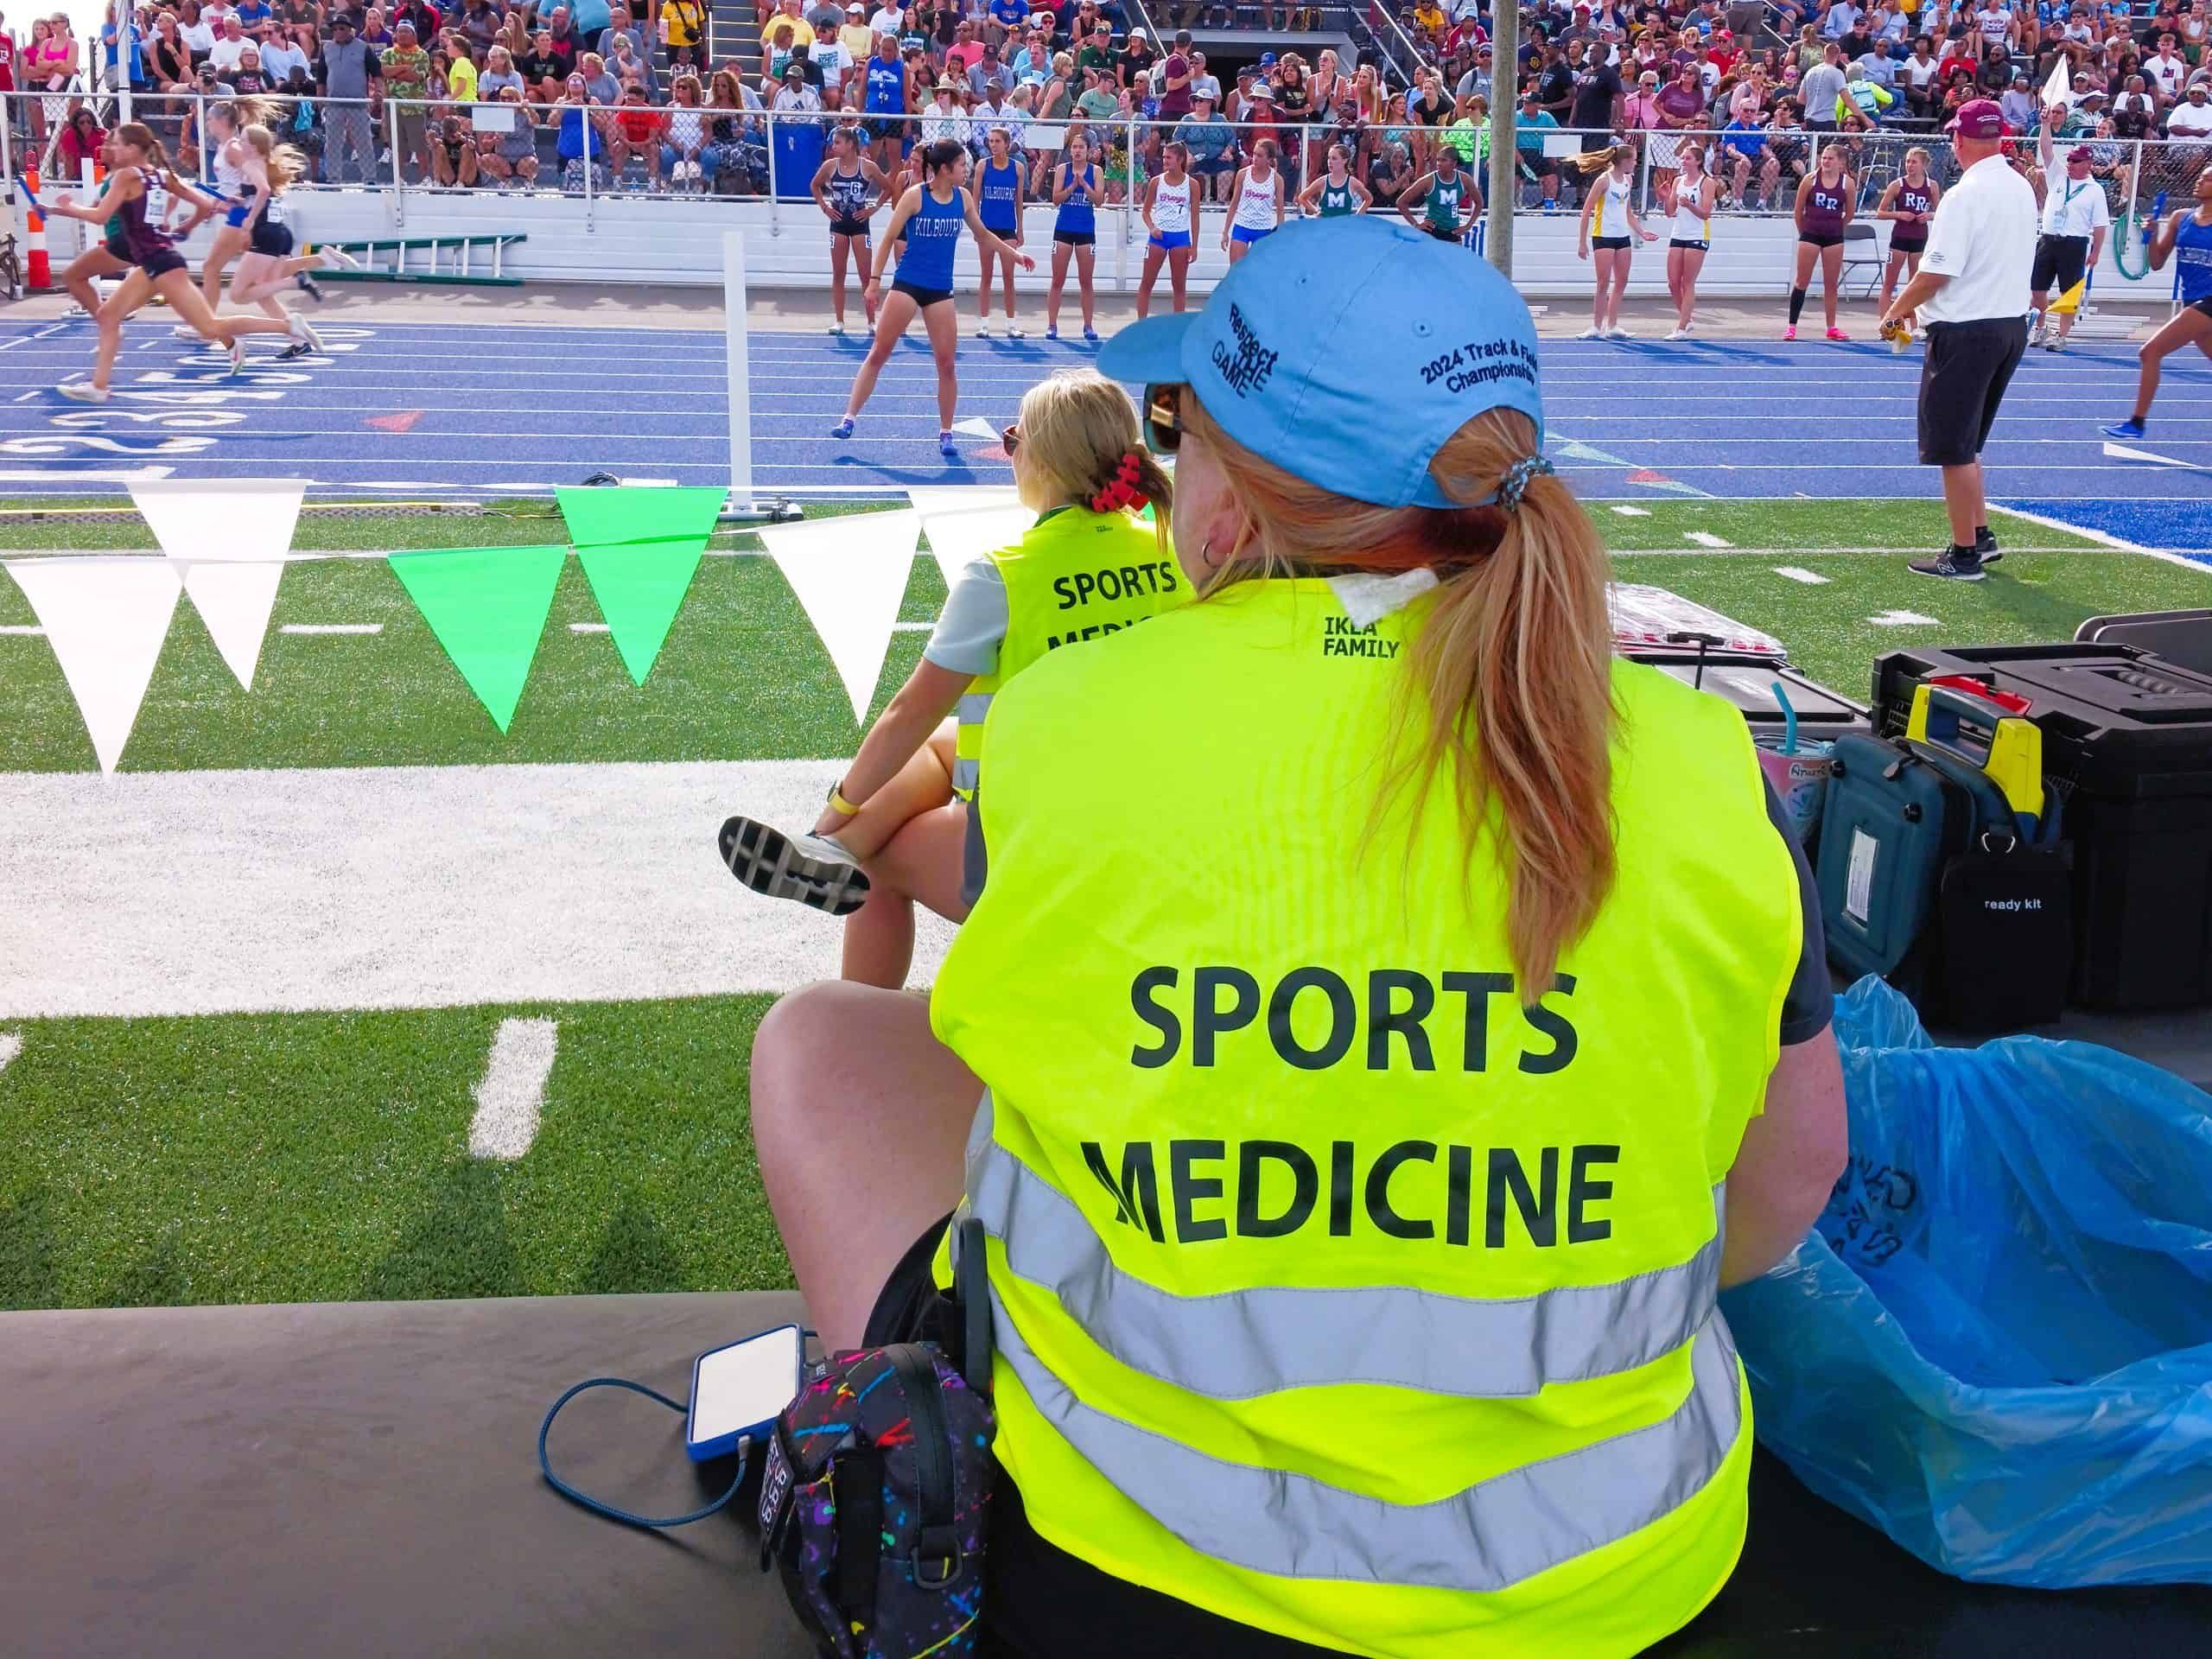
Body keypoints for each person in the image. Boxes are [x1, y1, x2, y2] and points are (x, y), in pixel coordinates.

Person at [749, 213, 1847, 1659]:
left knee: (824, 1040)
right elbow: (1788, 1187)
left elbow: (1027, 989)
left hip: (1132, 1576)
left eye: (1177, 428)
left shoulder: (1078, 725)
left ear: (1227, 513)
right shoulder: (1709, 767)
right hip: (1622, 1579)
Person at [724, 368, 1179, 986]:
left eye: (1015, 440)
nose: (1008, 453)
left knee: (879, 863)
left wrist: (838, 807)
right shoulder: (1172, 551)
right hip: (1156, 824)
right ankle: (831, 852)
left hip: (1038, 845)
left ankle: (856, 981)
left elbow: (906, 711)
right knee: (943, 743)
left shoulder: (1003, 575)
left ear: (1040, 458)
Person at [1878, 98, 2036, 581]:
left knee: (1952, 445)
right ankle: (1981, 535)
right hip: (2009, 325)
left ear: (1959, 140)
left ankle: (1964, 553)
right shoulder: (2021, 187)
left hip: (1968, 329)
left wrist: (1896, 311)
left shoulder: (1964, 195)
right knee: (1967, 444)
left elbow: (1936, 271)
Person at [48, 124, 315, 403]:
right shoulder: (163, 176)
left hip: (160, 264)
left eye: (116, 145)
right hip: (154, 261)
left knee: (209, 327)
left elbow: (100, 217)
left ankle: (287, 327)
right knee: (107, 316)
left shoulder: (127, 176)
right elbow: (205, 204)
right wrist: (184, 226)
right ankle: (98, 387)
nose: (111, 149)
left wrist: (69, 207)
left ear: (132, 149)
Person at [832, 137, 1033, 457]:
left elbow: (982, 234)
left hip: (940, 291)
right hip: (908, 284)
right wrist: (874, 283)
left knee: (947, 365)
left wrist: (1015, 255)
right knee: (879, 353)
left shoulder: (964, 198)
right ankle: (849, 418)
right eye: (961, 166)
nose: (966, 170)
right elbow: (885, 241)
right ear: (943, 169)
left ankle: (946, 432)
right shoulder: (915, 197)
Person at [2102, 163, 2212, 440]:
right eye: (2200, 176)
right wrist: (2149, 236)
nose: (2199, 181)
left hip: (2209, 302)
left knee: (2149, 352)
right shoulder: (2179, 217)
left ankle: (2136, 423)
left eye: (2207, 179)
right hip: (2192, 299)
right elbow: (2156, 262)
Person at [221, 124, 345, 354]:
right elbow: (258, 193)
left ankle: (296, 282)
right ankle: (297, 341)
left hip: (265, 234)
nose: (241, 142)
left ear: (255, 145)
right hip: (277, 233)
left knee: (238, 295)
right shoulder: (261, 164)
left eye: (245, 139)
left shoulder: (250, 164)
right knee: (263, 292)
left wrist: (248, 221)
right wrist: (241, 201)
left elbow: (264, 190)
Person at [2029, 113, 2112, 354]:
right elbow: (2046, 150)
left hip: (2074, 243)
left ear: (2087, 164)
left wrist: (2095, 252)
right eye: (2070, 160)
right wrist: (2045, 125)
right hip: (2048, 238)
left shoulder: (2094, 190)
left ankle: (2061, 334)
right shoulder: (2058, 177)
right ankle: (2041, 327)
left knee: (2069, 292)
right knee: (2037, 289)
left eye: (2075, 161)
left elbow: (2100, 225)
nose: (2070, 164)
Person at [813, 124, 889, 335]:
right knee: (839, 273)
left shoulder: (868, 167)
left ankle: (872, 321)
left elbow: (889, 187)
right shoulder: (830, 166)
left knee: (866, 275)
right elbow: (815, 185)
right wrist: (825, 207)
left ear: (850, 144)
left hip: (859, 224)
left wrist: (873, 209)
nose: (833, 146)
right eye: (833, 142)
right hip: (838, 224)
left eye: (838, 142)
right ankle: (839, 320)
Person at [1575, 143, 1655, 339]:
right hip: (1603, 236)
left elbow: (1628, 212)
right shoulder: (1604, 181)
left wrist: (1641, 232)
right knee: (1603, 283)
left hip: (1622, 237)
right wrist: (1582, 242)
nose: (1636, 163)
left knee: (1622, 281)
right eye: (1634, 159)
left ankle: (1612, 325)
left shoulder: (1627, 180)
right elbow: (1586, 211)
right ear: (1624, 161)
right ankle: (1596, 326)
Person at [1786, 141, 1855, 340]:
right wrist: (1805, 232)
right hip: (1810, 234)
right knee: (1802, 281)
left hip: (1834, 236)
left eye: (1830, 158)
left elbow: (1849, 214)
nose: (1825, 161)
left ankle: (1831, 326)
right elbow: (1798, 212)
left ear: (1840, 163)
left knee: (1831, 284)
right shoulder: (1810, 180)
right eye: (1824, 157)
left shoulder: (1847, 183)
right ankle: (1792, 326)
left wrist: (1835, 228)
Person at [969, 122, 1026, 339]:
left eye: (997, 141)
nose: (993, 145)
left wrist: (1020, 229)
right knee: (986, 275)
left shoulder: (1017, 168)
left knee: (1009, 276)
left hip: (1007, 228)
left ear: (1006, 144)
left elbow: (1018, 200)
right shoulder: (983, 166)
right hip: (987, 228)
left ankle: (1011, 324)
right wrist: (976, 226)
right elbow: (975, 198)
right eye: (991, 141)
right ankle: (984, 323)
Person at [1045, 127, 1100, 341]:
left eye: (1081, 147)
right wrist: (1071, 187)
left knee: (1086, 281)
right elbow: (1056, 199)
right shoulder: (1062, 169)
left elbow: (1098, 200)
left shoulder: (1095, 171)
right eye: (1074, 147)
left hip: (1086, 229)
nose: (1077, 151)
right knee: (1057, 279)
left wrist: (1084, 184)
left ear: (1088, 150)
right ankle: (1052, 324)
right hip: (1064, 229)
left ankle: (1088, 325)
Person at [1135, 139, 1197, 319]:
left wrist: (1194, 245)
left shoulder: (1192, 185)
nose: (1165, 161)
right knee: (1147, 283)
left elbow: (1195, 216)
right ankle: (1141, 325)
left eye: (1169, 158)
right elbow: (1145, 211)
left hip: (1181, 238)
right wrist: (1152, 228)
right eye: (1164, 157)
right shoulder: (1156, 182)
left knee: (1179, 286)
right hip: (1158, 238)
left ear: (1180, 159)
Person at [1874, 145, 1940, 315]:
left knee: (1915, 284)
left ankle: (1915, 325)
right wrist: (1899, 214)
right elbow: (1880, 213)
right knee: (1889, 283)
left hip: (1919, 238)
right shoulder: (1897, 185)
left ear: (1923, 165)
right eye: (1907, 162)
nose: (1910, 165)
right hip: (1900, 238)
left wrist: (1929, 215)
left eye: (1914, 162)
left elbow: (1940, 212)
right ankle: (1885, 322)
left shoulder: (1931, 186)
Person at [1664, 140, 1718, 339]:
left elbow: (1705, 213)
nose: (1683, 161)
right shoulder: (1678, 181)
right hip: (1679, 232)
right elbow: (1670, 212)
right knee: (1672, 282)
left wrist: (1689, 206)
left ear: (1698, 161)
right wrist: (1665, 197)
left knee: (1688, 281)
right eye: (1683, 158)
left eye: (1687, 158)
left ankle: (1681, 326)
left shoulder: (1707, 182)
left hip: (1696, 235)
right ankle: (1687, 320)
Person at [1398, 139, 1480, 245]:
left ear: (1454, 163)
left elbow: (1479, 203)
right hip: (1431, 232)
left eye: (1443, 160)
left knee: (1453, 260)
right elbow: (1401, 202)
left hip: (1453, 232)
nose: (1439, 163)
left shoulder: (1464, 179)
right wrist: (1416, 225)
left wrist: (1468, 226)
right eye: (1438, 160)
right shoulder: (1428, 180)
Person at [1223, 136, 1284, 264]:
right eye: (1254, 154)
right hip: (1242, 226)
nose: (1255, 158)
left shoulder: (1277, 179)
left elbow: (1280, 210)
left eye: (1260, 155)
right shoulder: (1243, 174)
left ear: (1269, 159)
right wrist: (1225, 231)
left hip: (1263, 229)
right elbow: (1234, 204)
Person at [1298, 139, 1371, 217]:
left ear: (1345, 160)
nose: (1330, 161)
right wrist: (1316, 211)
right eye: (1329, 158)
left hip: (1344, 226)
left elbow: (1368, 199)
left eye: (1334, 158)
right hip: (1326, 225)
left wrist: (1357, 216)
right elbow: (1302, 198)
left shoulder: (1352, 182)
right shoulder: (1322, 181)